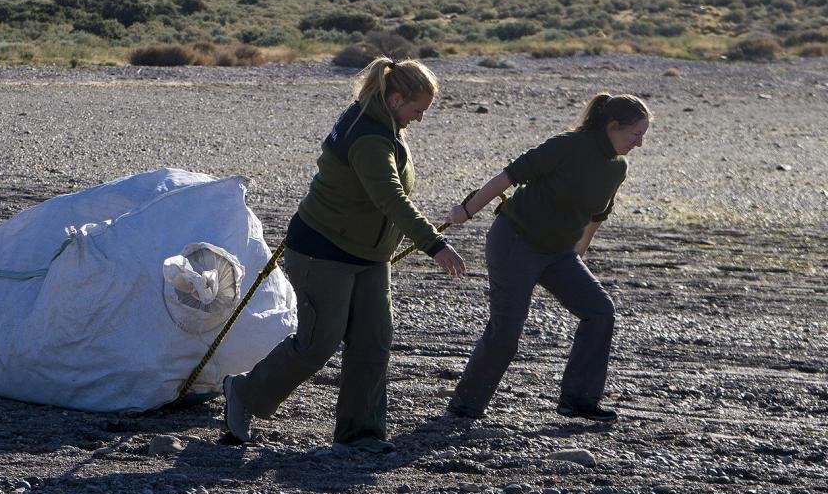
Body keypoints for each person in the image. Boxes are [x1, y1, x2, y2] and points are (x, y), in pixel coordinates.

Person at [222, 56, 466, 453]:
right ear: (396, 97)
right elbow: (391, 198)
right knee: (317, 343)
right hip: (323, 251)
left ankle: (361, 434)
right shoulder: (369, 136)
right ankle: (244, 393)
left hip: (369, 256)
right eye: (417, 110)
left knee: (373, 341)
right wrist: (435, 246)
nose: (420, 118)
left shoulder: (381, 120)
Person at [443, 92, 652, 422]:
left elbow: (597, 217)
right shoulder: (568, 145)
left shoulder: (617, 168)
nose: (639, 143)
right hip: (516, 241)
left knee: (600, 311)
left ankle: (579, 400)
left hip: (558, 253)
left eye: (642, 136)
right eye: (635, 135)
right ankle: (464, 406)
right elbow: (508, 176)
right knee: (507, 330)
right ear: (613, 126)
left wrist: (576, 257)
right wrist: (466, 211)